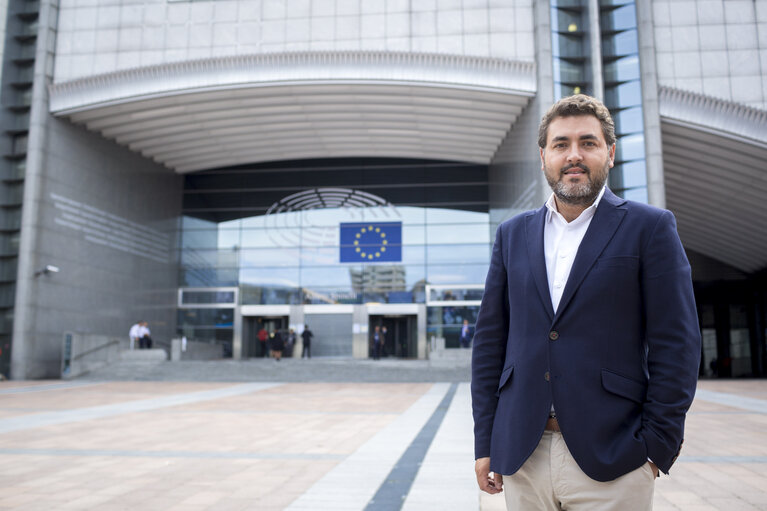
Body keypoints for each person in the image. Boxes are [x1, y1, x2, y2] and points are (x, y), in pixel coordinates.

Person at [471, 94, 700, 510]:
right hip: (523, 456)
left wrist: (655, 450)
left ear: (609, 153)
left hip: (615, 459)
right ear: (543, 156)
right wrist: (485, 441)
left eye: (588, 143)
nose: (573, 155)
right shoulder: (511, 235)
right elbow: (490, 344)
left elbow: (678, 344)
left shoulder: (650, 228)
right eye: (561, 144)